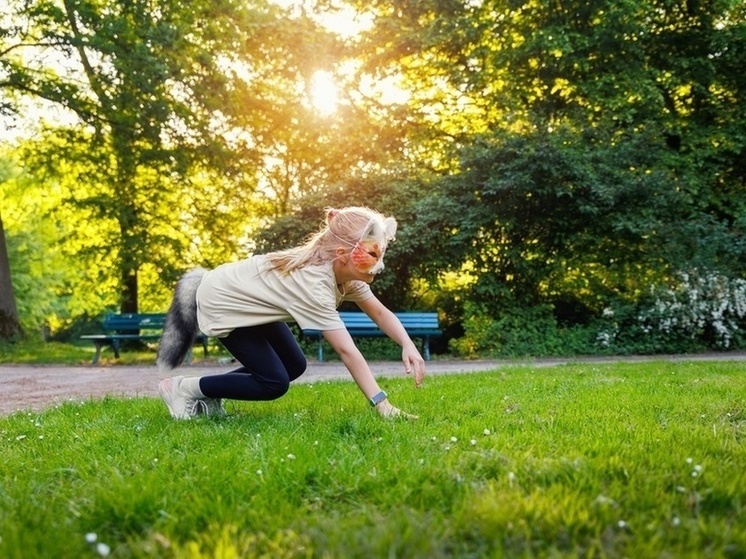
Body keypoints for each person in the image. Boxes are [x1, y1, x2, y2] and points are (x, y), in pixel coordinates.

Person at [156, 206, 426, 420]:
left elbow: (379, 313)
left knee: (294, 366)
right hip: (225, 300)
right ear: (343, 253)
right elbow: (347, 351)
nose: (380, 264)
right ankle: (182, 389)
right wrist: (382, 404)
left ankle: (207, 392)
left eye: (381, 254)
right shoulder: (316, 283)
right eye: (372, 254)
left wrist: (407, 344)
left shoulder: (347, 276)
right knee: (273, 383)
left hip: (253, 301)